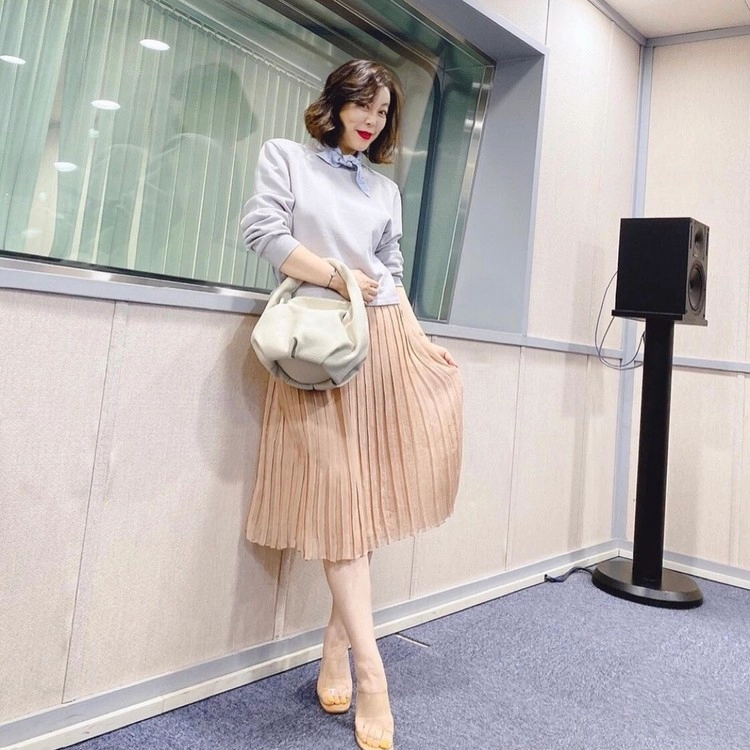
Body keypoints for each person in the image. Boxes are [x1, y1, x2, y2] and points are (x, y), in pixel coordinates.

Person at [241, 59, 463, 750]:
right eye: (363, 103)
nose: (372, 118)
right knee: (340, 504)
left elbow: (390, 274)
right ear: (336, 102)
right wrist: (339, 276)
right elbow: (264, 234)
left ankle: (336, 650)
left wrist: (421, 343)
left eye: (383, 109)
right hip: (319, 347)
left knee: (365, 506)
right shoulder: (286, 158)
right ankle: (372, 674)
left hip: (383, 342)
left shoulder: (385, 189)